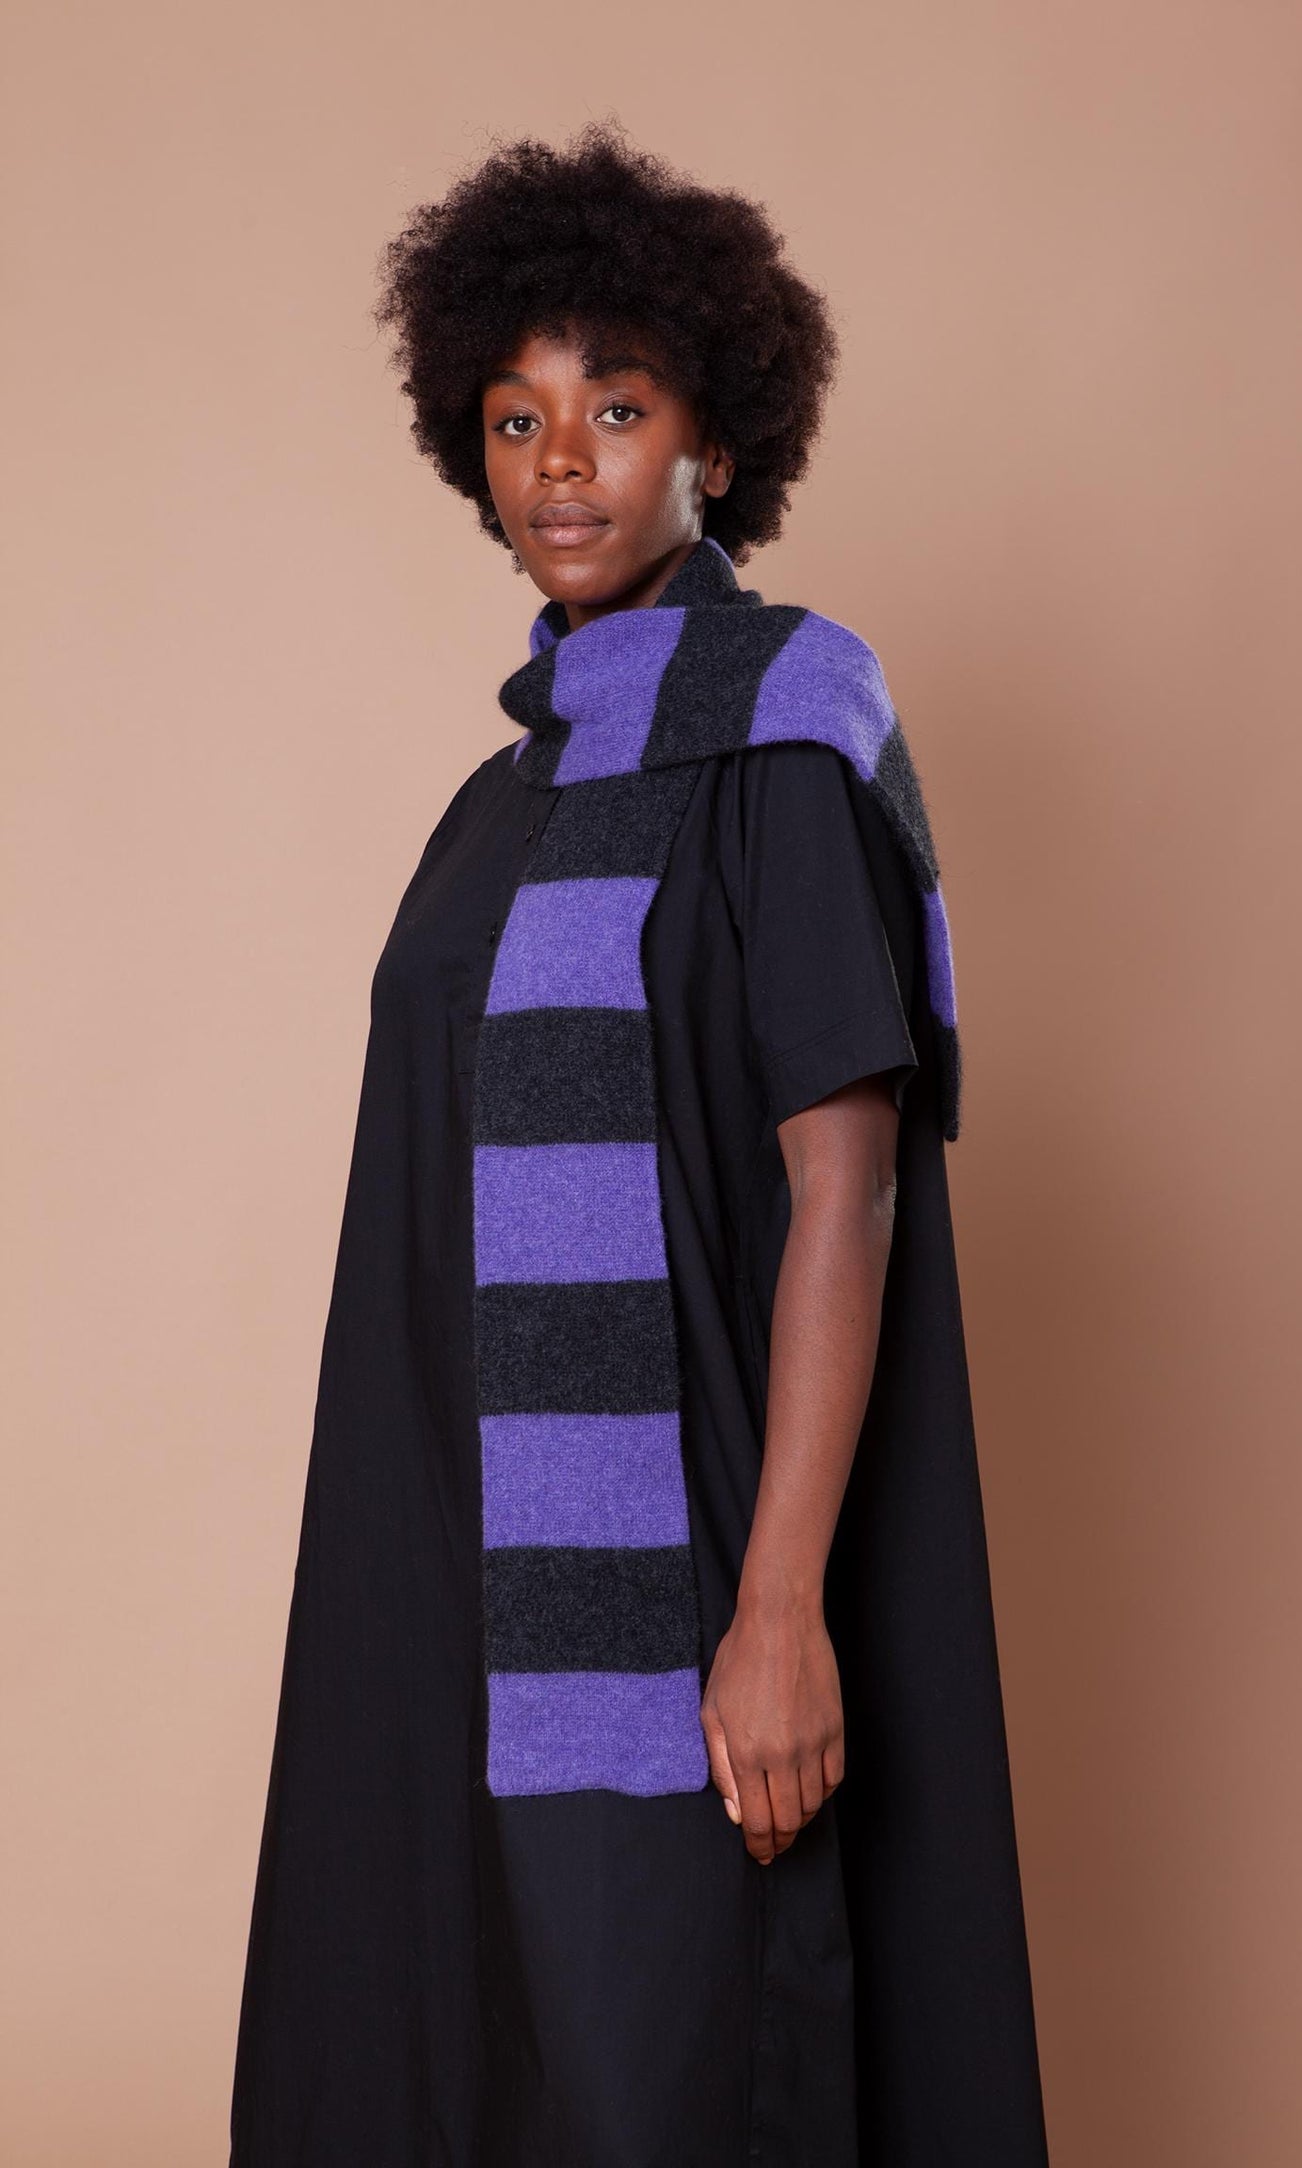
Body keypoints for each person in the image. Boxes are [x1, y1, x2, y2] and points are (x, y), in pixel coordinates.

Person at [230, 122, 1050, 2167]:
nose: (561, 462)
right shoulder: (496, 809)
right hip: (464, 1593)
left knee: (666, 2081)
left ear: (717, 440)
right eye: (516, 418)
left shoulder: (784, 744)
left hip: (675, 1598)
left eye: (616, 406)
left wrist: (775, 1614)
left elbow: (845, 1186)